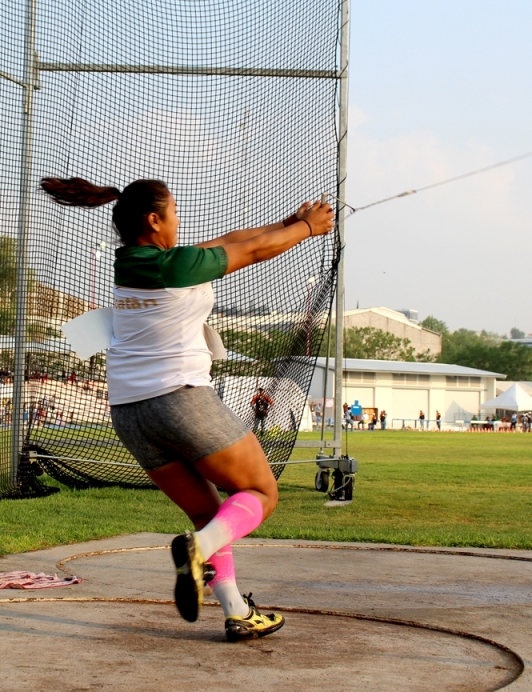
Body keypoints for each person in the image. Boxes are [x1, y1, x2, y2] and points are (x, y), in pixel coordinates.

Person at [41, 175, 334, 641]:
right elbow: (253, 253)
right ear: (154, 220)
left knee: (209, 514)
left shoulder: (137, 262)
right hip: (178, 399)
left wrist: (288, 221)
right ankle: (197, 550)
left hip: (129, 414)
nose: (179, 221)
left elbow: (231, 242)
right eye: (173, 213)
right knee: (260, 493)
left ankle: (237, 610)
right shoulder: (173, 266)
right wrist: (309, 230)